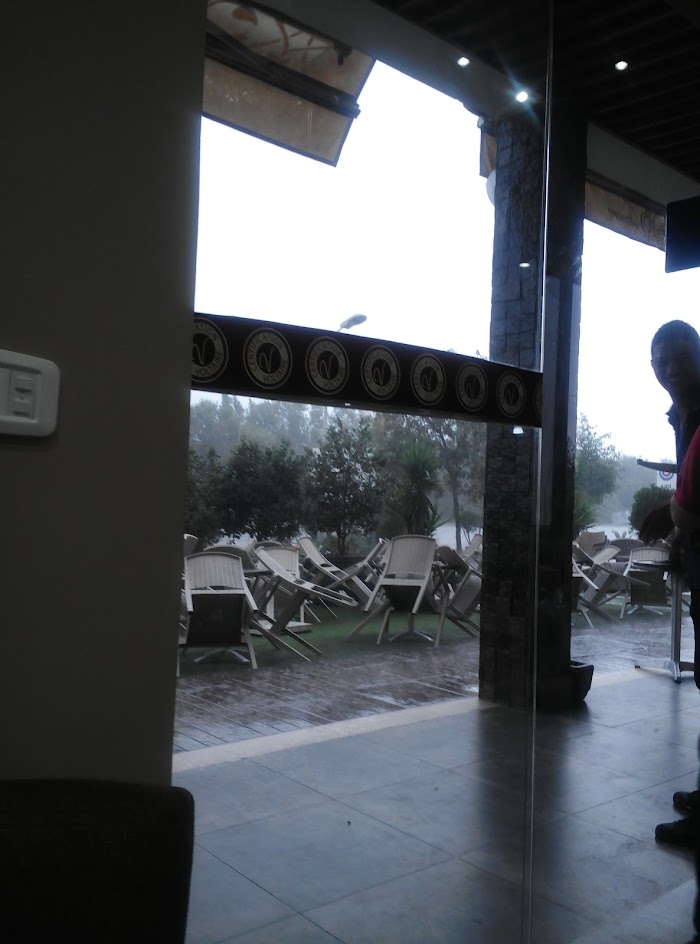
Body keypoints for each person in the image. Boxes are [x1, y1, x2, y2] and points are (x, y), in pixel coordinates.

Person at [641, 321, 700, 853]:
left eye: (682, 356)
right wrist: (681, 536)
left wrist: (672, 515)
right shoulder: (680, 416)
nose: (672, 367)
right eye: (662, 359)